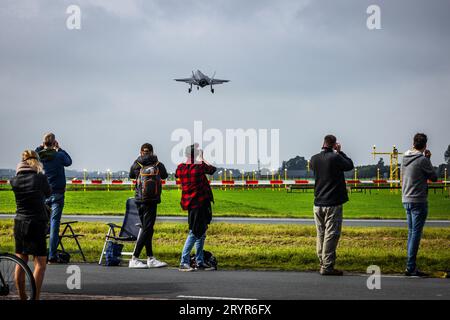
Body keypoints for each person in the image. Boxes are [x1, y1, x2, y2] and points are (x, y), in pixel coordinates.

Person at [310, 135, 354, 276]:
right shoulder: (335, 157)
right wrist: (340, 152)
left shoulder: (314, 159)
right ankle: (327, 266)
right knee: (331, 234)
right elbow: (349, 165)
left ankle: (322, 262)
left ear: (323, 143)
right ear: (334, 144)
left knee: (321, 234)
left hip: (318, 202)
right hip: (333, 202)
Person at [10, 150, 51, 300]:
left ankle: (22, 296)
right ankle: (35, 297)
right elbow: (48, 193)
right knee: (40, 263)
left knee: (20, 261)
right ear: (37, 160)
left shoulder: (14, 180)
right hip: (36, 223)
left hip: (19, 222)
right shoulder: (40, 178)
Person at [176, 144, 217, 272]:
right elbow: (212, 169)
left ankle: (199, 261)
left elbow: (177, 174)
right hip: (200, 204)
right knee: (194, 233)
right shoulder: (199, 167)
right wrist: (202, 157)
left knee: (201, 233)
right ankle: (184, 261)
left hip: (190, 205)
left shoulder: (180, 168)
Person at [401, 133, 437, 277]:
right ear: (425, 145)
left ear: (413, 143)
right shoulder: (422, 160)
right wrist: (428, 159)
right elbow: (433, 177)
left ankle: (410, 266)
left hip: (406, 199)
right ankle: (410, 267)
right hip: (418, 200)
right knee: (416, 234)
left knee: (411, 233)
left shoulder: (404, 157)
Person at [128, 143, 169, 269]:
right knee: (147, 229)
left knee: (148, 229)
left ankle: (150, 257)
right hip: (151, 201)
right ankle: (134, 258)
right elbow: (165, 175)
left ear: (141, 152)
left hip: (139, 200)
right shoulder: (157, 164)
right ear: (152, 152)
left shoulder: (137, 164)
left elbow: (131, 175)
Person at [35, 133, 72, 263]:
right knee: (54, 225)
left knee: (41, 224)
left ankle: (38, 253)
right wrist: (60, 149)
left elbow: (32, 154)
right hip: (57, 194)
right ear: (54, 142)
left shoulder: (39, 156)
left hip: (43, 194)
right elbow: (69, 161)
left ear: (43, 143)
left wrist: (40, 147)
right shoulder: (59, 155)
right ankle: (52, 255)